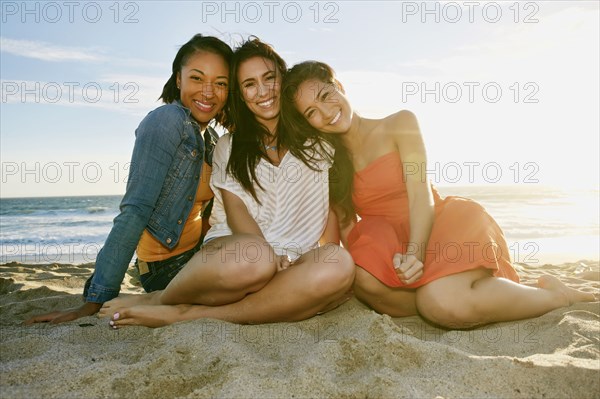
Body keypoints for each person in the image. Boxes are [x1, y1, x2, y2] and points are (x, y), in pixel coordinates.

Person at [281, 61, 596, 329]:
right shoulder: (330, 163)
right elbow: (350, 230)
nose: (325, 111)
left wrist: (416, 252)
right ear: (308, 123)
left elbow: (420, 195)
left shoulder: (399, 123)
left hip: (440, 225)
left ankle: (556, 295)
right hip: (391, 243)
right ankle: (457, 294)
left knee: (440, 302)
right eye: (311, 112)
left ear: (338, 86)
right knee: (364, 279)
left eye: (325, 95)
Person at [96, 38, 355, 328]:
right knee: (256, 258)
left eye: (270, 79)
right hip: (235, 258)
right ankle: (162, 301)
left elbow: (328, 209)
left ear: (284, 80)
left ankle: (189, 314)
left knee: (339, 263)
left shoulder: (319, 142)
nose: (263, 91)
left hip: (292, 264)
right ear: (241, 95)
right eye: (249, 84)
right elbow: (236, 212)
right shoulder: (229, 146)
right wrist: (272, 257)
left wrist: (324, 258)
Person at [25, 34, 233, 325]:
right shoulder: (166, 121)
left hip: (197, 256)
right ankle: (146, 302)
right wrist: (93, 302)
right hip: (166, 267)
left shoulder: (210, 139)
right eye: (197, 78)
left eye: (220, 83)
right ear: (178, 80)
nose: (208, 92)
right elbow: (135, 209)